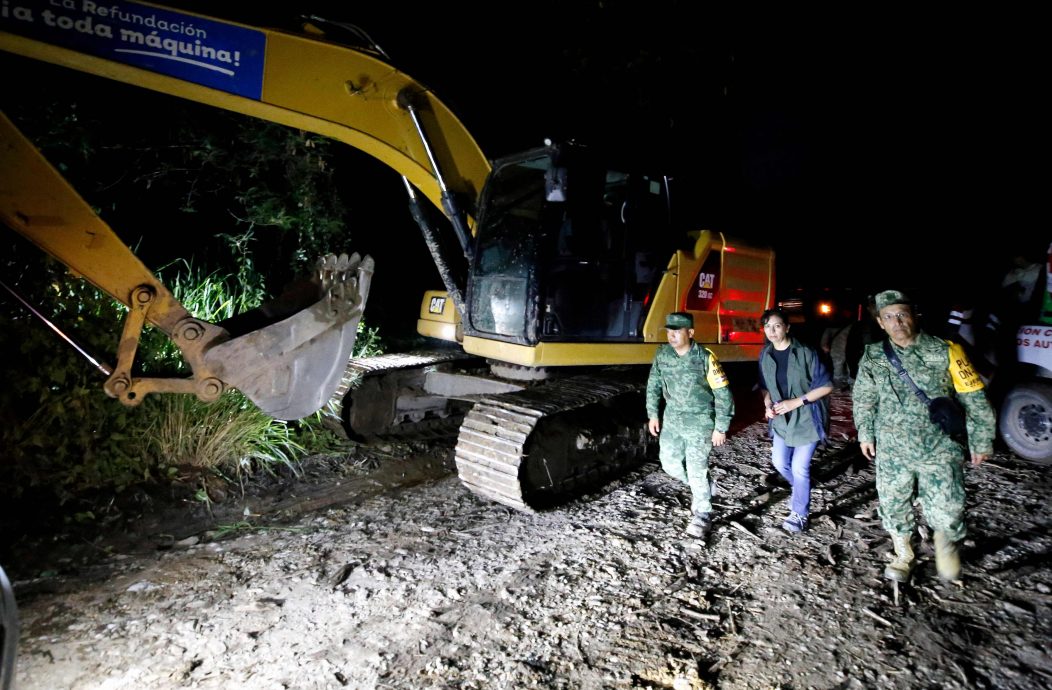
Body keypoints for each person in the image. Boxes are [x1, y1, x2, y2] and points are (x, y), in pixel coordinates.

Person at [853, 290, 996, 583]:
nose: (897, 321)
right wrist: (865, 433)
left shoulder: (946, 349)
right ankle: (904, 554)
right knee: (893, 502)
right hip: (892, 448)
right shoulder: (874, 356)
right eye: (889, 316)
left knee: (948, 503)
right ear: (880, 322)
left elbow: (974, 397)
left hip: (939, 446)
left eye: (902, 314)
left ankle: (945, 548)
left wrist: (981, 439)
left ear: (914, 315)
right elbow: (864, 398)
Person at [646, 311, 734, 539]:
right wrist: (653, 414)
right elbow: (653, 384)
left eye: (677, 331)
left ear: (690, 332)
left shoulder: (705, 357)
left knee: (696, 467)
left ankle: (703, 513)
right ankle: (702, 486)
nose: (672, 336)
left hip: (701, 420)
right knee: (669, 463)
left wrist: (720, 426)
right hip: (673, 418)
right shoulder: (663, 355)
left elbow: (723, 394)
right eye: (669, 331)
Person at [757, 307, 833, 534]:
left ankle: (800, 513)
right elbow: (764, 386)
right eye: (767, 326)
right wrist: (767, 404)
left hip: (807, 417)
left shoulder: (806, 352)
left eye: (777, 325)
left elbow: (826, 386)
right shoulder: (765, 354)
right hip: (781, 420)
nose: (772, 331)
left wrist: (796, 402)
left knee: (800, 468)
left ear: (787, 327)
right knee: (780, 463)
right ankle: (802, 488)